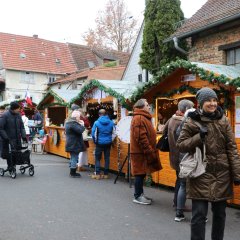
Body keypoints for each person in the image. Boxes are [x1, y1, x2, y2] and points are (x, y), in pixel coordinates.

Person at [176, 87, 240, 240]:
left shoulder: (223, 120)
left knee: (220, 215)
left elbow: (231, 148)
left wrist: (237, 173)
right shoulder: (192, 120)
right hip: (200, 173)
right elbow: (181, 144)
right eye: (208, 101)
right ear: (200, 103)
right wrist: (199, 137)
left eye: (214, 100)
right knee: (198, 215)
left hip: (221, 174)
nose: (212, 104)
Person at [162, 99, 194, 220]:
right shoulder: (184, 122)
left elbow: (164, 132)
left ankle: (176, 202)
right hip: (183, 155)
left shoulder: (171, 119)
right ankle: (178, 205)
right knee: (182, 183)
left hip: (174, 155)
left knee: (179, 180)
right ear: (186, 109)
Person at [130, 99, 162, 205]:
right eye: (147, 105)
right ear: (141, 107)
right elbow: (140, 137)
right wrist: (148, 150)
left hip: (142, 152)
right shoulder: (139, 118)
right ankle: (138, 196)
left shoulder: (142, 117)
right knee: (139, 174)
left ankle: (140, 194)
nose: (149, 107)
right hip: (140, 153)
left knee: (142, 173)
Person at [0, 101, 27, 171]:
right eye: (18, 108)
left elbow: (22, 127)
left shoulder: (18, 115)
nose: (19, 110)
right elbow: (1, 128)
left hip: (17, 139)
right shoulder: (5, 115)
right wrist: (5, 137)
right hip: (8, 139)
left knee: (16, 153)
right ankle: (10, 167)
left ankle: (13, 166)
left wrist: (24, 136)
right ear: (13, 108)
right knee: (9, 154)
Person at [91, 109, 114, 180]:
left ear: (99, 114)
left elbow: (93, 133)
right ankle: (106, 174)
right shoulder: (111, 122)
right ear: (105, 114)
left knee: (97, 158)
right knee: (107, 158)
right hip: (108, 143)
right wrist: (111, 140)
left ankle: (97, 174)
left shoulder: (96, 122)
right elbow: (115, 133)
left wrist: (95, 141)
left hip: (99, 143)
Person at [65, 110, 86, 178]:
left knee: (73, 157)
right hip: (74, 143)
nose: (79, 118)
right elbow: (80, 130)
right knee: (74, 157)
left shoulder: (68, 123)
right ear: (76, 117)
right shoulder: (73, 124)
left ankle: (72, 170)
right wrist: (82, 124)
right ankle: (73, 172)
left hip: (70, 142)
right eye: (79, 117)